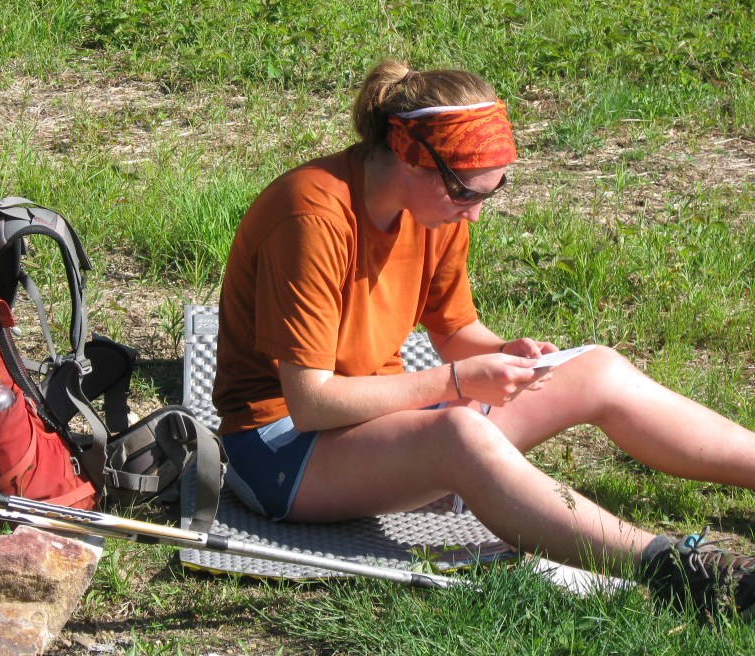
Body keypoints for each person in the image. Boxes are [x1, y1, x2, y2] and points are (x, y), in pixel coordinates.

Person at [211, 59, 755, 620]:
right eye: (465, 192)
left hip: (370, 425)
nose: (472, 214)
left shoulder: (435, 213)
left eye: (488, 194)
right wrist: (455, 382)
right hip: (275, 451)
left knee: (597, 368)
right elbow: (311, 403)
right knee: (459, 433)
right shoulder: (312, 216)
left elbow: (453, 332)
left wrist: (504, 354)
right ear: (408, 155)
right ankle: (680, 570)